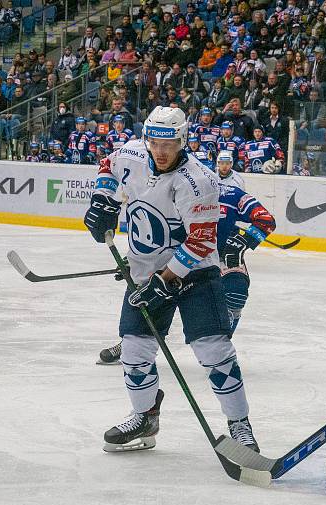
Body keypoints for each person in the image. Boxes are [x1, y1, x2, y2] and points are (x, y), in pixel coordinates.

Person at [82, 106, 260, 452]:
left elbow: (202, 241)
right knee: (134, 351)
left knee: (215, 353)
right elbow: (108, 167)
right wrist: (102, 199)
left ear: (183, 140)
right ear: (146, 138)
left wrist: (165, 280)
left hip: (195, 276)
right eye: (154, 143)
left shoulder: (200, 180)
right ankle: (145, 417)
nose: (160, 152)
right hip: (146, 273)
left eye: (169, 144)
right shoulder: (131, 153)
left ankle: (240, 425)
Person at [216, 156, 276, 335]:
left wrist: (243, 240)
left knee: (236, 293)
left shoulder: (231, 193)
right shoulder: (180, 192)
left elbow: (266, 220)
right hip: (187, 253)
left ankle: (221, 346)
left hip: (223, 253)